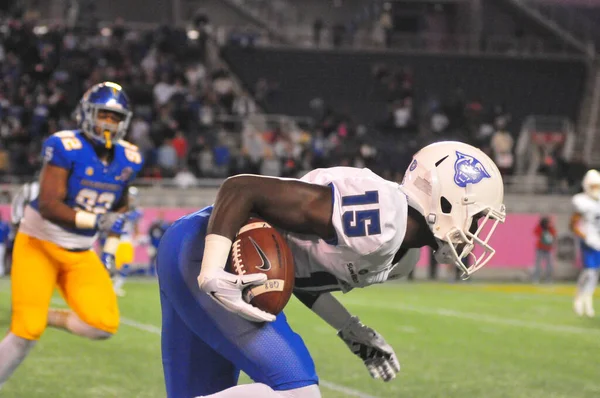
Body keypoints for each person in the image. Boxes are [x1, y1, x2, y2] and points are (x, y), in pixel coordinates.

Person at [156, 141, 506, 397]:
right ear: (447, 202)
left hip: (196, 250)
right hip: (206, 251)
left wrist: (351, 330)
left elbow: (302, 278)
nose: (477, 233)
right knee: (297, 393)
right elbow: (240, 187)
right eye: (477, 218)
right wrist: (212, 270)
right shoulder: (383, 218)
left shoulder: (403, 254)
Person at [0, 82, 144, 389]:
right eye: (103, 115)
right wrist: (98, 219)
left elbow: (118, 211)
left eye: (115, 118)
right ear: (86, 113)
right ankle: (32, 318)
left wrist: (109, 248)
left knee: (103, 325)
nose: (108, 123)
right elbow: (50, 206)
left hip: (80, 251)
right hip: (39, 244)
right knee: (26, 333)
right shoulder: (65, 146)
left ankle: (45, 314)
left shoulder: (129, 158)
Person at [570, 169, 600, 317]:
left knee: (594, 273)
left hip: (598, 241)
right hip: (588, 240)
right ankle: (579, 297)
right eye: (593, 186)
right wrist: (583, 236)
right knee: (589, 271)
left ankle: (587, 299)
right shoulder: (580, 201)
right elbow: (574, 224)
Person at [112, 186, 144, 296]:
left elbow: (135, 225)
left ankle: (116, 287)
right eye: (130, 197)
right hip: (115, 238)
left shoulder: (136, 211)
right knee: (112, 265)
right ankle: (109, 287)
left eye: (133, 197)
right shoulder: (118, 207)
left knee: (125, 265)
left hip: (126, 240)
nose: (132, 199)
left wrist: (138, 237)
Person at [532, 216, 556, 283]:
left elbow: (554, 234)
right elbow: (535, 232)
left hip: (548, 249)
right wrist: (542, 229)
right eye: (546, 223)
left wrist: (550, 227)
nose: (547, 224)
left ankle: (549, 279)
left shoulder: (551, 228)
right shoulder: (540, 228)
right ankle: (536, 278)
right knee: (538, 265)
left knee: (549, 265)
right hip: (540, 248)